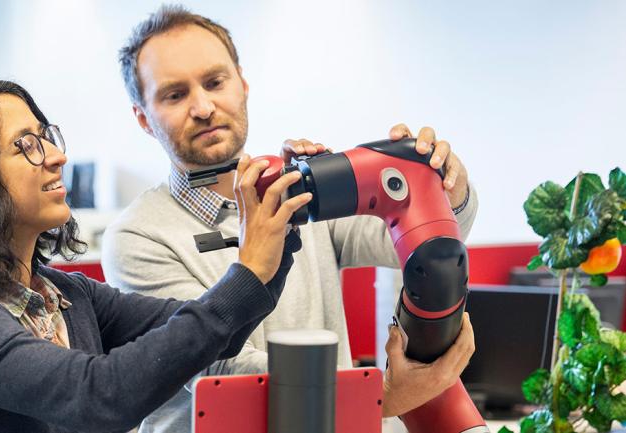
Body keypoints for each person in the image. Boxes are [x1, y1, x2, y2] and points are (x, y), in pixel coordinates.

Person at [0, 77, 312, 433]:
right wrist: (248, 269)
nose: (56, 156)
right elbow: (101, 396)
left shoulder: (66, 295)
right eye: (26, 145)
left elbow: (216, 331)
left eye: (46, 137)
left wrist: (280, 230)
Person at [102, 5, 478, 432]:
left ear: (241, 84)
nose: (203, 106)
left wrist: (440, 188)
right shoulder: (137, 238)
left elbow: (415, 245)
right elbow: (217, 365)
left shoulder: (302, 194)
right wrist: (385, 396)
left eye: (214, 82)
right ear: (143, 118)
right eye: (175, 94)